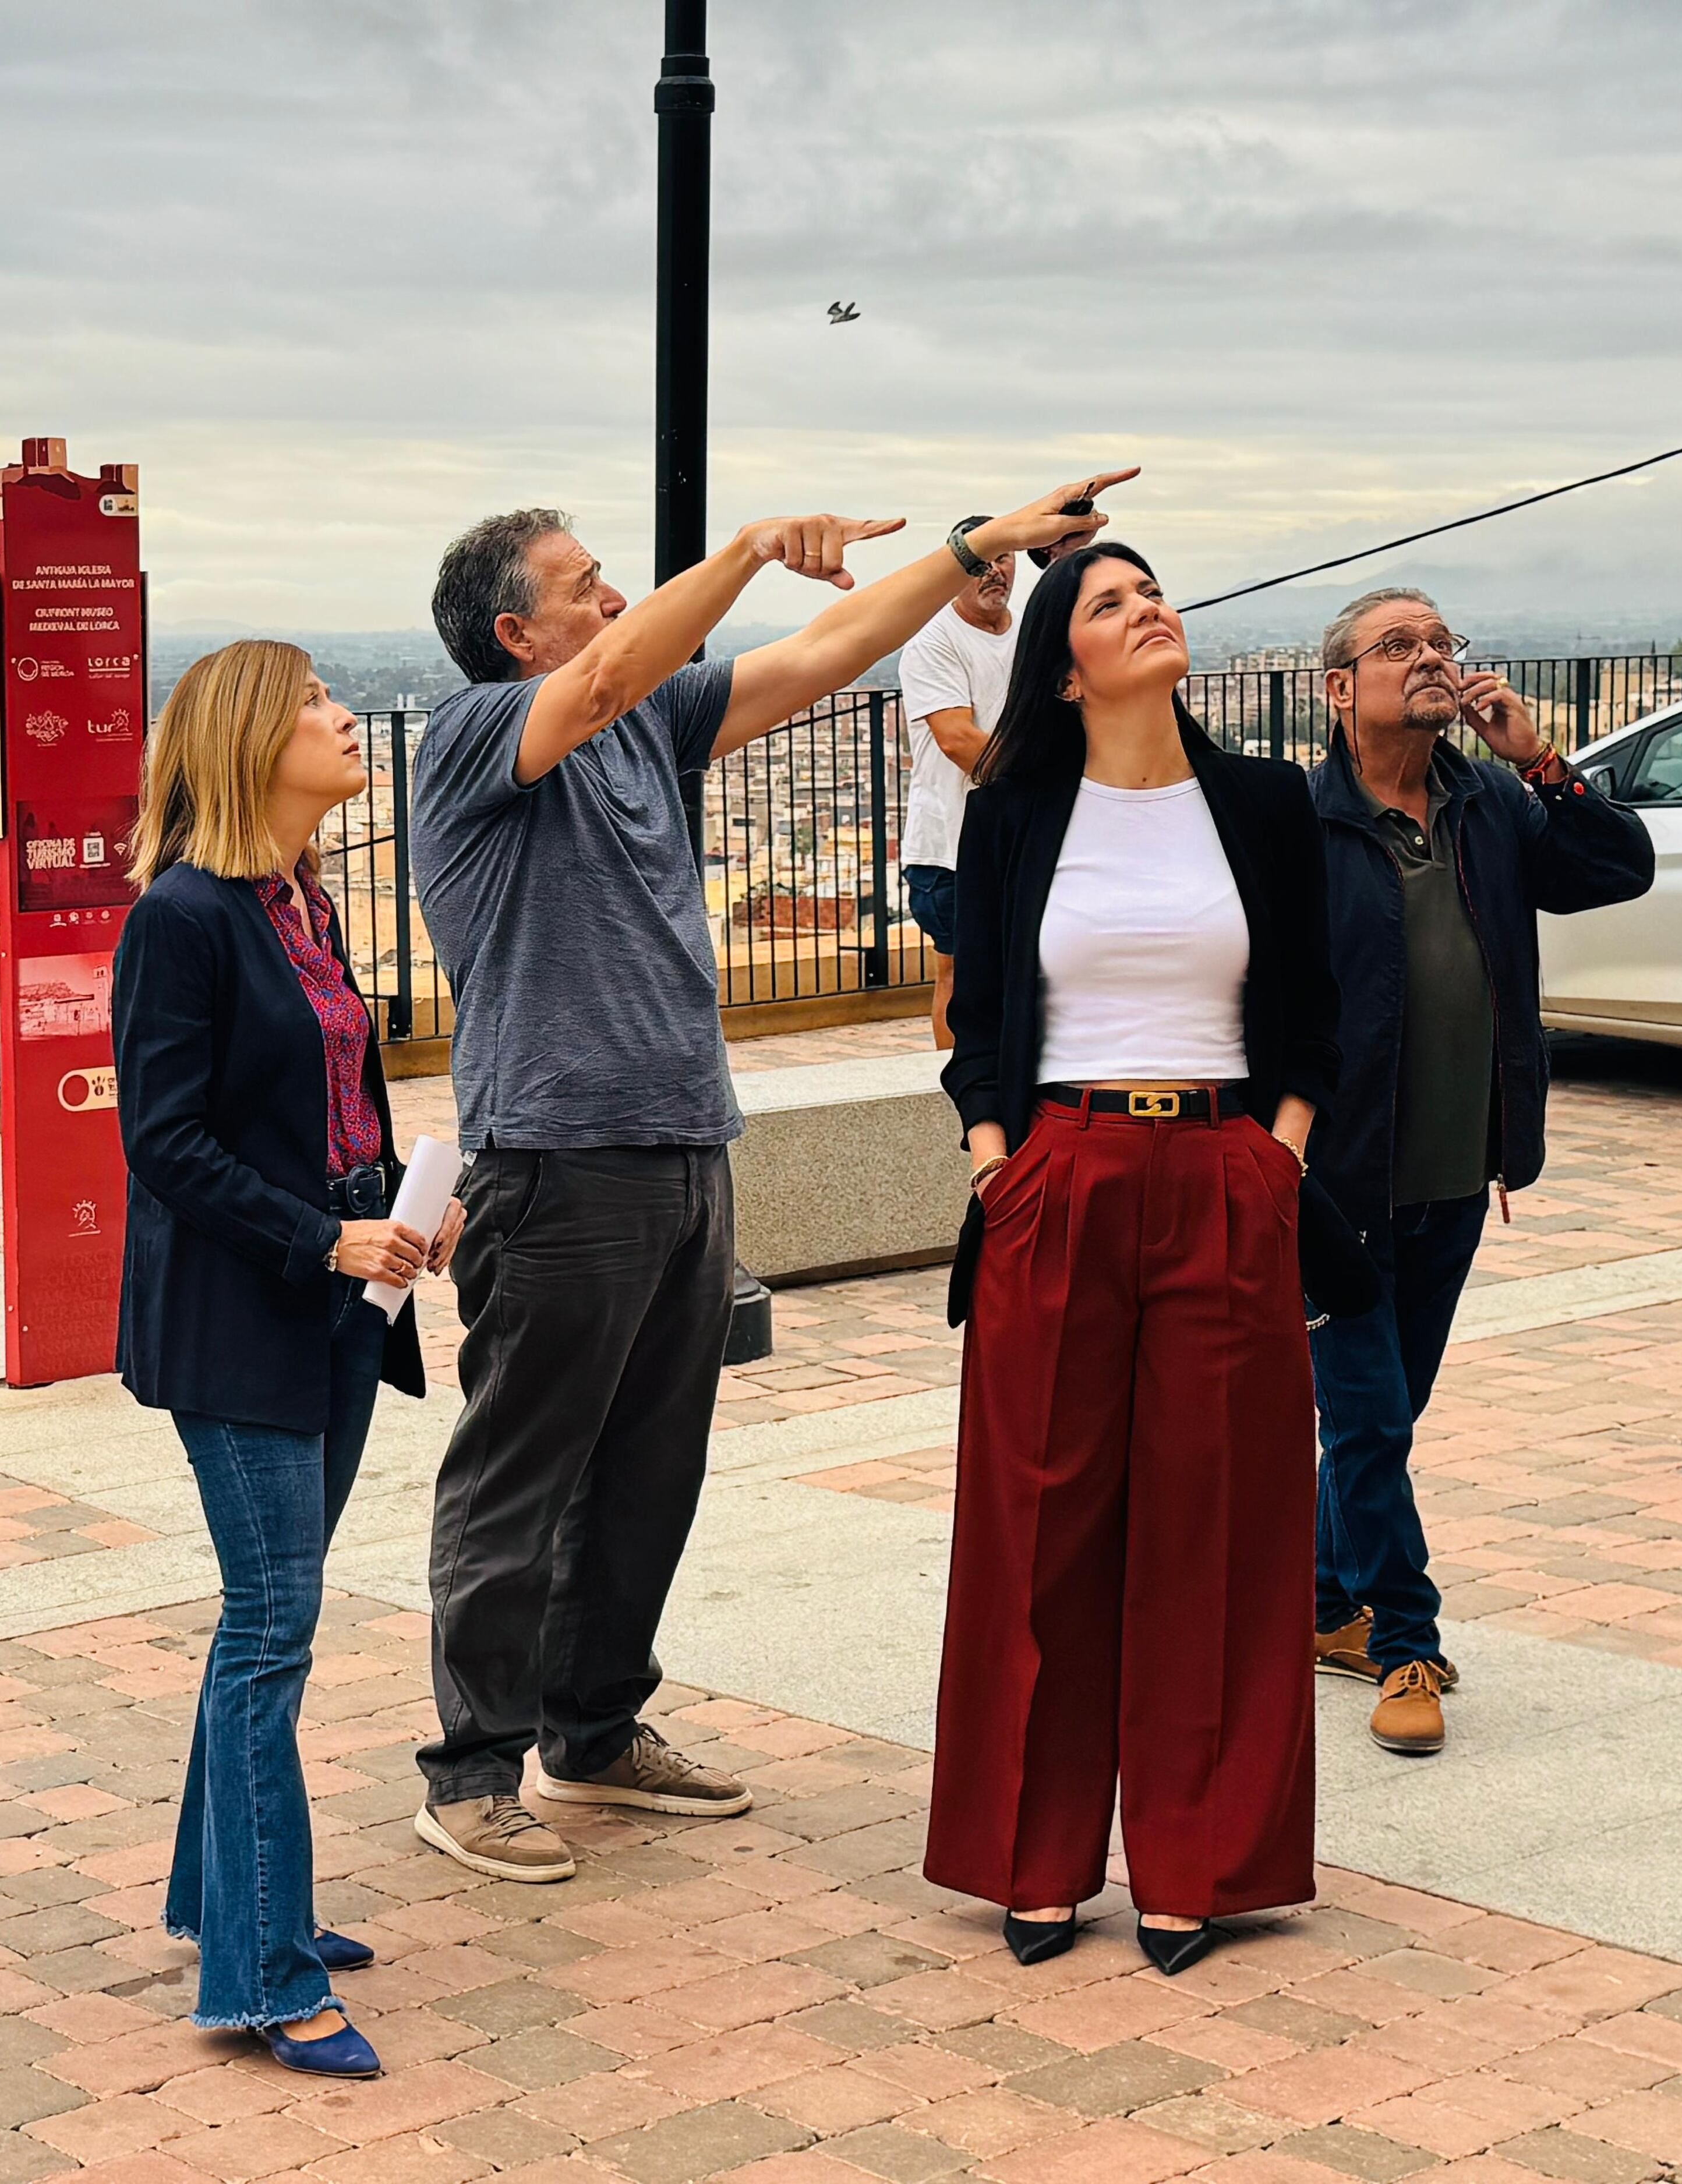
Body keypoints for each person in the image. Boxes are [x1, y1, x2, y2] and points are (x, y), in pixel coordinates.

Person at [405, 472, 1136, 1884]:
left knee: (648, 1471)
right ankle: (472, 1770)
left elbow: (827, 649)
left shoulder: (646, 723)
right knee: (518, 1476)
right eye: (582, 585)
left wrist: (976, 547)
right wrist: (745, 546)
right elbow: (612, 669)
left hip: (685, 1145)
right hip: (556, 1160)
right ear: (514, 634)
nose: (612, 598)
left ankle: (593, 1731)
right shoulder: (476, 732)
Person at [928, 541, 1339, 1978]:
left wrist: (1279, 1155)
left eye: (1150, 590)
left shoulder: (1265, 801)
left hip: (1227, 1171)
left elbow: (1315, 1005)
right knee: (1037, 1522)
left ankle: (1196, 1859)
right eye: (1108, 603)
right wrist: (998, 1162)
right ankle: (1031, 1856)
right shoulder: (1015, 809)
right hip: (1062, 1173)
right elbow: (980, 1019)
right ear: (1064, 667)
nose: (1145, 608)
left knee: (1215, 1523)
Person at [112, 641, 465, 2079]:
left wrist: (396, 1202)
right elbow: (163, 1142)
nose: (342, 716)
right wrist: (324, 1235)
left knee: (263, 1618)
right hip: (243, 1313)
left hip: (339, 1301)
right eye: (315, 701)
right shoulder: (183, 916)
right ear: (254, 740)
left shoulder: (301, 900)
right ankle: (263, 1973)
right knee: (272, 1625)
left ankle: (226, 1901)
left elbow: (321, 1101)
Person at [1305, 589, 1652, 1755]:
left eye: (1440, 643)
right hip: (1331, 1187)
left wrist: (1539, 761)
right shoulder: (1298, 821)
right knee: (1369, 1422)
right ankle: (1405, 1642)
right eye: (1397, 646)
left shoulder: (1490, 802)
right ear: (1339, 687)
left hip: (1460, 1169)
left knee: (1384, 1413)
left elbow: (1616, 869)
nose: (1430, 659)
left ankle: (1320, 1602)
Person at [897, 521, 1019, 1049]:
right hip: (950, 847)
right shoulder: (933, 641)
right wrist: (1041, 780)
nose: (994, 571)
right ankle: (960, 1082)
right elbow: (958, 740)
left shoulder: (1030, 633)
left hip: (1015, 839)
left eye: (1004, 557)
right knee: (960, 974)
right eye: (980, 561)